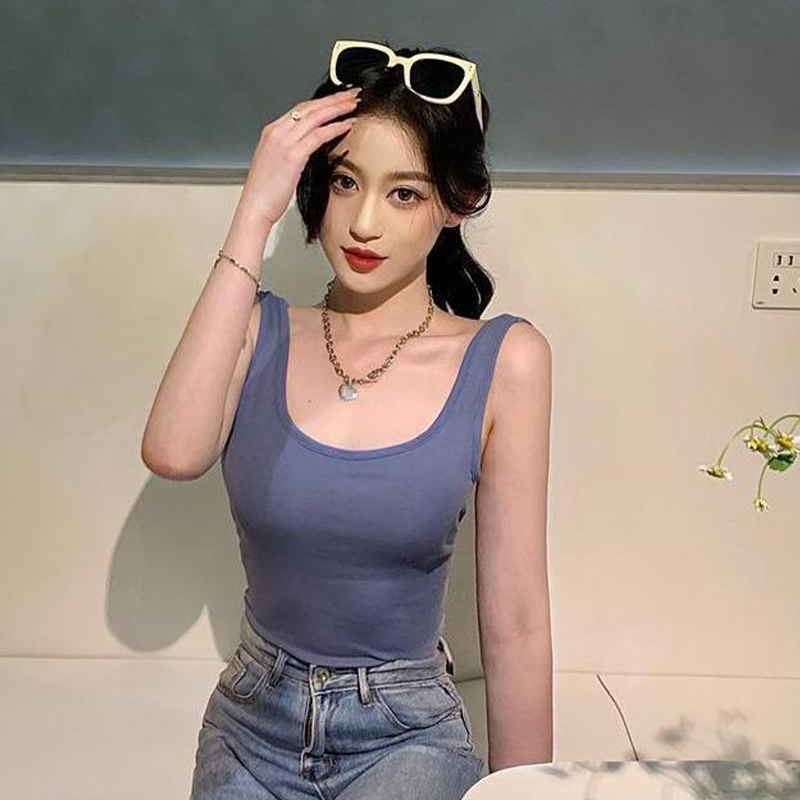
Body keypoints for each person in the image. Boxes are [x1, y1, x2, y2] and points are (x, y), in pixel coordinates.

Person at [142, 38, 553, 800]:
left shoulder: (506, 361)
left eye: (405, 194)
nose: (363, 222)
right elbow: (172, 451)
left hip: (405, 732)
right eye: (344, 181)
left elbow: (518, 620)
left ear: (459, 200)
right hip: (252, 722)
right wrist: (253, 212)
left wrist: (527, 792)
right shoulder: (254, 331)